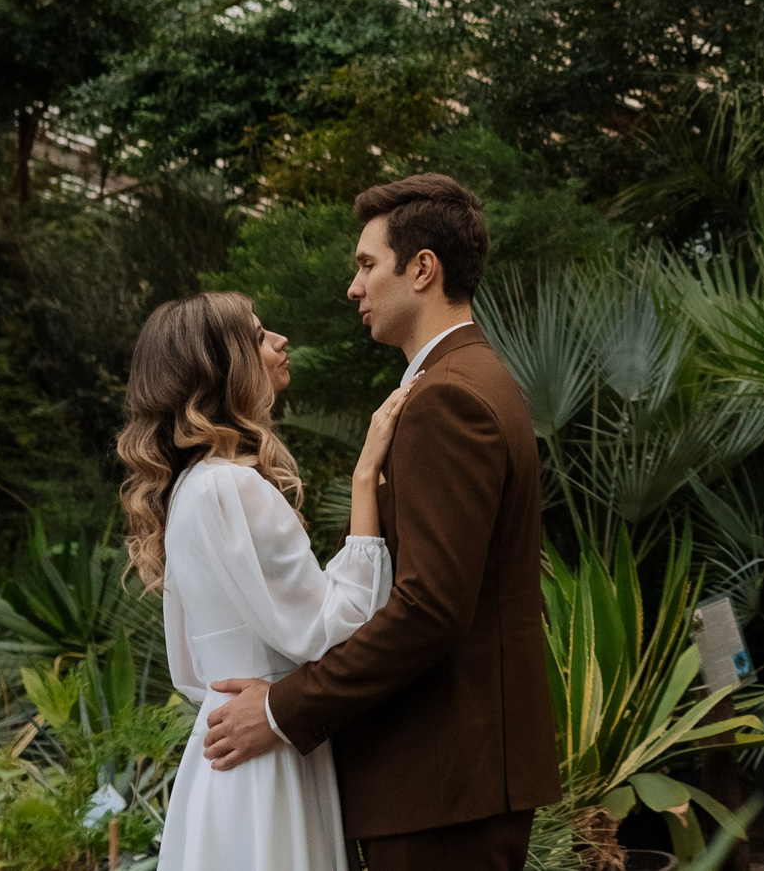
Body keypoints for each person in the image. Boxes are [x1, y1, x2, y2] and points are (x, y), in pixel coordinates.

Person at [203, 173, 561, 871]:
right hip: (454, 780)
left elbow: (429, 608)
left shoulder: (447, 399)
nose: (353, 287)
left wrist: (281, 708)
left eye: (367, 264)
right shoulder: (469, 378)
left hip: (442, 781)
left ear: (422, 267)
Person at [118, 290, 411, 871]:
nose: (279, 340)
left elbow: (190, 668)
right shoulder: (231, 486)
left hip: (222, 759)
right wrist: (364, 479)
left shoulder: (188, 491)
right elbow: (333, 628)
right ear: (220, 367)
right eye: (257, 335)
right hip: (268, 754)